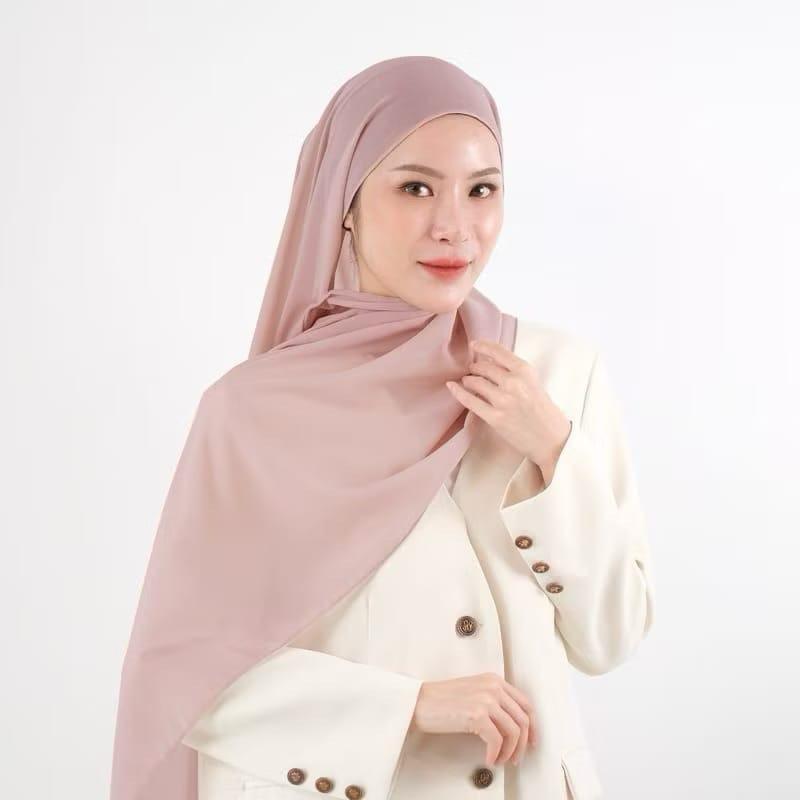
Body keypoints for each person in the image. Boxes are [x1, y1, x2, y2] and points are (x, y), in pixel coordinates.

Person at [109, 56, 655, 800]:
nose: (454, 226)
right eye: (415, 188)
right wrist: (408, 707)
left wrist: (553, 451)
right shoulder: (253, 412)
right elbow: (184, 678)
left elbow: (611, 637)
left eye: (482, 189)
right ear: (344, 201)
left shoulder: (555, 374)